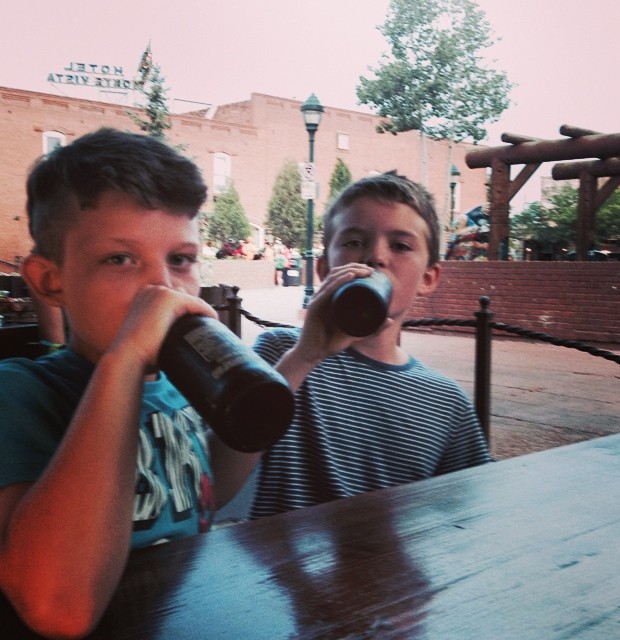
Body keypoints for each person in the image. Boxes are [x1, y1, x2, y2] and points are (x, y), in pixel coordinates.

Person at [0, 128, 255, 638]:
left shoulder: (176, 385)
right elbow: (58, 608)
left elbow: (205, 492)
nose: (162, 286)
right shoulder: (20, 394)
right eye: (119, 259)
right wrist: (125, 361)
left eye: (180, 259)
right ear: (51, 280)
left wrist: (303, 356)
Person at [250, 172, 492, 519]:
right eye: (353, 241)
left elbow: (474, 515)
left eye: (401, 246)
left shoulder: (446, 403)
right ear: (324, 268)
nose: (375, 257)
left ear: (428, 278)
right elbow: (214, 483)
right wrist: (304, 357)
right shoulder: (281, 354)